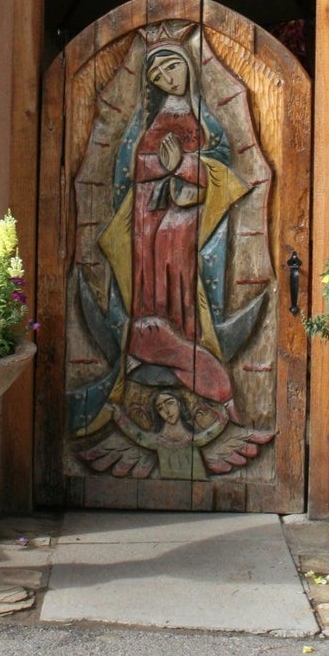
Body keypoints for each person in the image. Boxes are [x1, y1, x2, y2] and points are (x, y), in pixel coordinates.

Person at [95, 39, 253, 424]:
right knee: (148, 271)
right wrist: (160, 167)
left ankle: (185, 338)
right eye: (158, 75)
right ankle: (148, 340)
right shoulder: (145, 122)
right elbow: (131, 168)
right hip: (146, 211)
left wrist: (181, 165)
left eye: (172, 67)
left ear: (188, 66)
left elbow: (221, 166)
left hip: (187, 213)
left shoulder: (206, 119)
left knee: (177, 266)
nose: (168, 78)